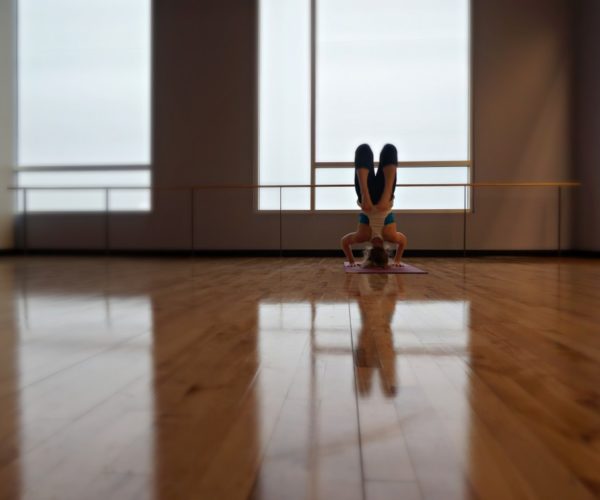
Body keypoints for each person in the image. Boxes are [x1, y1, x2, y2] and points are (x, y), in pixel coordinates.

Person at [341, 143, 407, 267]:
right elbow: (344, 242)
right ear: (368, 253)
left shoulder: (390, 236)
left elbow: (403, 241)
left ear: (387, 253)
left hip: (383, 200)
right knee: (363, 150)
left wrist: (397, 259)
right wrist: (351, 261)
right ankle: (366, 192)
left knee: (389, 149)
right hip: (367, 201)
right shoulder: (362, 236)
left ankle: (382, 193)